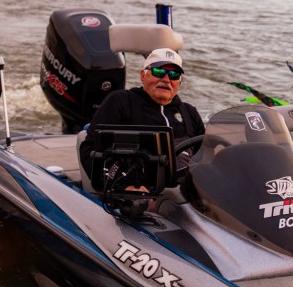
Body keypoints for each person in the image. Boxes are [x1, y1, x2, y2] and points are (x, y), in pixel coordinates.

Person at [79, 48, 204, 188]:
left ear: (179, 82)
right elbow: (89, 151)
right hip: (135, 193)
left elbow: (207, 157)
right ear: (143, 75)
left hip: (185, 193)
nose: (166, 79)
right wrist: (124, 187)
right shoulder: (120, 102)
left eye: (174, 74)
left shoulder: (189, 113)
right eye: (158, 71)